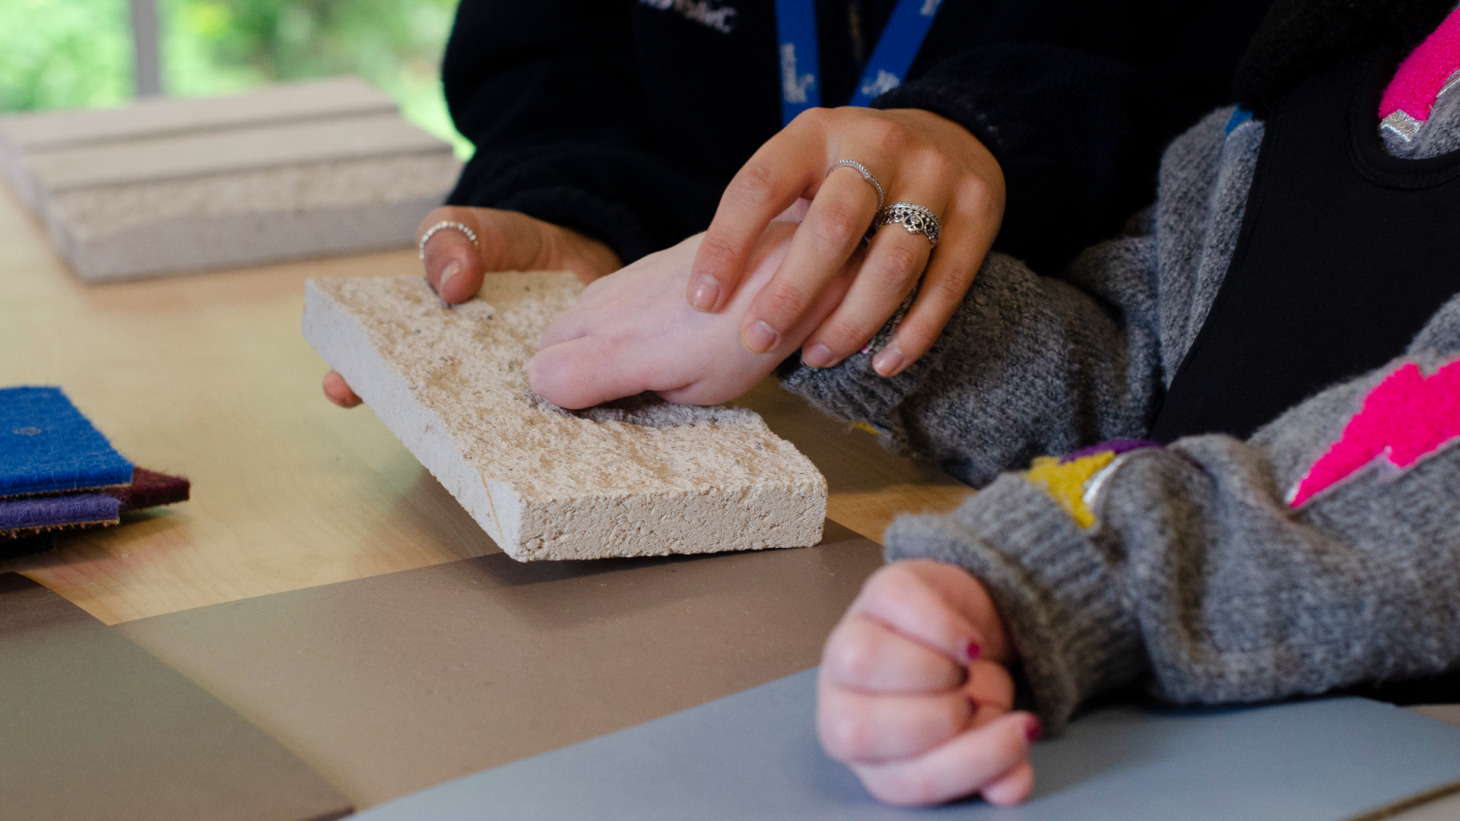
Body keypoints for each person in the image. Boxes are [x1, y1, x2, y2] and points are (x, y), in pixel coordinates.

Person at [527, 0, 1460, 806]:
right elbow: (1150, 371)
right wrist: (839, 301)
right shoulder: (1343, 46)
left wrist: (1062, 569)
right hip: (1191, 734)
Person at [324, 0, 1275, 407]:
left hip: (1032, 451)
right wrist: (574, 212)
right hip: (690, 395)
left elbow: (1255, 90)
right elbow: (550, 72)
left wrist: (986, 132)